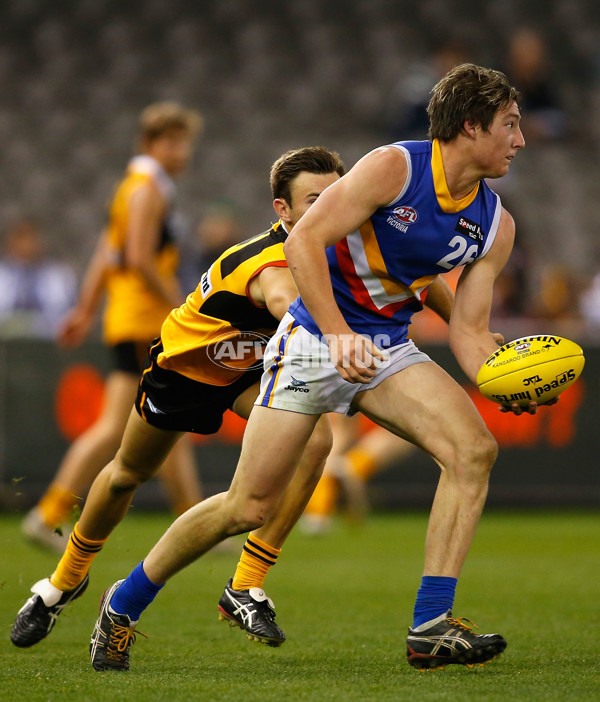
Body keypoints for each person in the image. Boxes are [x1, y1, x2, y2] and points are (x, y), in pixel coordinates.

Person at [82, 64, 539, 674]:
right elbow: (302, 243)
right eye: (509, 124)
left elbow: (471, 331)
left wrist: (501, 378)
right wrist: (339, 334)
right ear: (470, 125)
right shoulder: (394, 168)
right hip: (313, 338)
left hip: (385, 348)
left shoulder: (495, 224)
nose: (521, 138)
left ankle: (431, 624)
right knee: (246, 507)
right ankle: (123, 603)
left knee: (473, 450)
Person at [11, 146, 454, 658]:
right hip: (190, 366)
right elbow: (286, 298)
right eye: (313, 199)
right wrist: (341, 337)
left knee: (317, 443)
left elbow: (416, 278)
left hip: (251, 369)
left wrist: (469, 324)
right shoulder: (273, 261)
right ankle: (63, 583)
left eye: (336, 194)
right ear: (282, 211)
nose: (329, 205)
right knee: (126, 474)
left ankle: (246, 583)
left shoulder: (350, 245)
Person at [21, 102, 204, 551]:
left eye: (185, 143)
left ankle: (193, 523)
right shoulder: (147, 191)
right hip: (144, 320)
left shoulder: (133, 188)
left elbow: (108, 252)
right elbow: (139, 259)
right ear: (149, 144)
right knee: (116, 426)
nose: (181, 152)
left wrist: (84, 310)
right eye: (172, 142)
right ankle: (47, 514)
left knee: (169, 418)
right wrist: (183, 309)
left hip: (129, 318)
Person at [0, 218, 76, 338]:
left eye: (31, 238)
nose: (27, 244)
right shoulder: (2, 275)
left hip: (47, 344)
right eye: (21, 238)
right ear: (11, 241)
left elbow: (65, 315)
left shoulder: (58, 275)